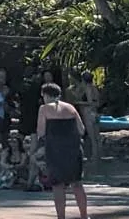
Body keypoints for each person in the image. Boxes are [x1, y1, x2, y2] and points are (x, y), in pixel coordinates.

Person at [37, 81, 89, 219]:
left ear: (45, 95)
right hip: (73, 150)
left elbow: (41, 132)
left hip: (55, 151)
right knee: (77, 184)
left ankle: (61, 217)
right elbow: (82, 130)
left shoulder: (44, 108)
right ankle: (84, 216)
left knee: (58, 185)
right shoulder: (71, 108)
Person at [65, 68, 102, 168]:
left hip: (88, 113)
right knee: (97, 137)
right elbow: (98, 103)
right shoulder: (95, 88)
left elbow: (90, 102)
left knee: (92, 138)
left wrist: (79, 103)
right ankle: (98, 157)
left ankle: (95, 159)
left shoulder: (88, 89)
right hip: (96, 114)